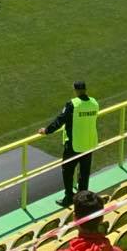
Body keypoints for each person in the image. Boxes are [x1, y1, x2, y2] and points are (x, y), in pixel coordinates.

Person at [37, 80, 100, 208]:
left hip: (74, 144)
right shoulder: (94, 103)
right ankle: (83, 200)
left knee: (67, 171)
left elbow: (60, 120)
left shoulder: (73, 104)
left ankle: (69, 197)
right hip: (89, 143)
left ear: (75, 89)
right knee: (84, 173)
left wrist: (47, 130)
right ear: (85, 89)